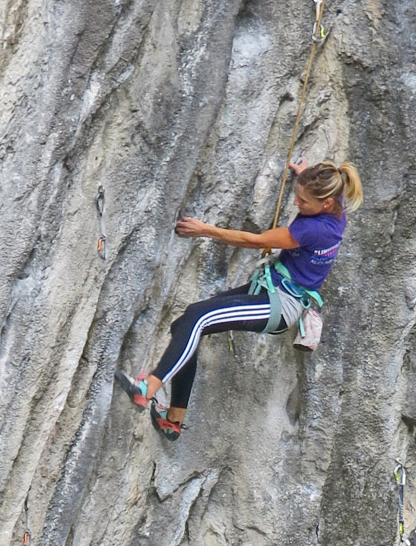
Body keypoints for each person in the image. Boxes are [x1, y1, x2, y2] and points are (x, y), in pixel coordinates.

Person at [115, 159, 363, 441]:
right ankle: (173, 421)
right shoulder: (337, 202)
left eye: (304, 201)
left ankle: (147, 389)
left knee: (197, 319)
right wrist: (303, 174)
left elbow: (257, 241)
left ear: (327, 204)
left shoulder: (315, 230)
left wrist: (205, 230)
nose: (297, 204)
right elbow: (322, 188)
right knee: (187, 322)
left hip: (280, 305)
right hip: (270, 289)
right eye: (297, 196)